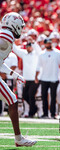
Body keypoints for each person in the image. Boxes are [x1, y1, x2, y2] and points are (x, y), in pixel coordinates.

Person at [0, 12, 36, 146]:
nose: (21, 28)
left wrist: (14, 74)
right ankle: (19, 139)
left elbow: (0, 62)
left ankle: (19, 138)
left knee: (12, 100)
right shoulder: (7, 35)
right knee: (12, 100)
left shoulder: (6, 35)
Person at [35, 38, 60, 119]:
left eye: (49, 43)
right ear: (44, 44)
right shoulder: (41, 54)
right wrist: (36, 76)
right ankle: (45, 113)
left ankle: (53, 113)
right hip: (44, 78)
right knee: (44, 96)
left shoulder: (57, 53)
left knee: (53, 96)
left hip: (54, 78)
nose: (49, 44)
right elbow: (38, 66)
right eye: (47, 43)